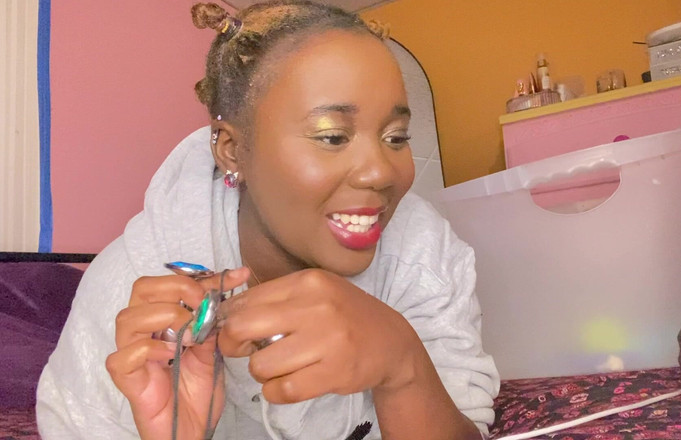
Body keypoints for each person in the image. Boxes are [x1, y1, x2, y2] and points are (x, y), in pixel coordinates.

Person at [36, 1, 499, 439]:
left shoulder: (423, 253)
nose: (380, 172)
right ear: (232, 150)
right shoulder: (133, 286)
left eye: (396, 137)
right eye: (333, 136)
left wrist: (403, 367)